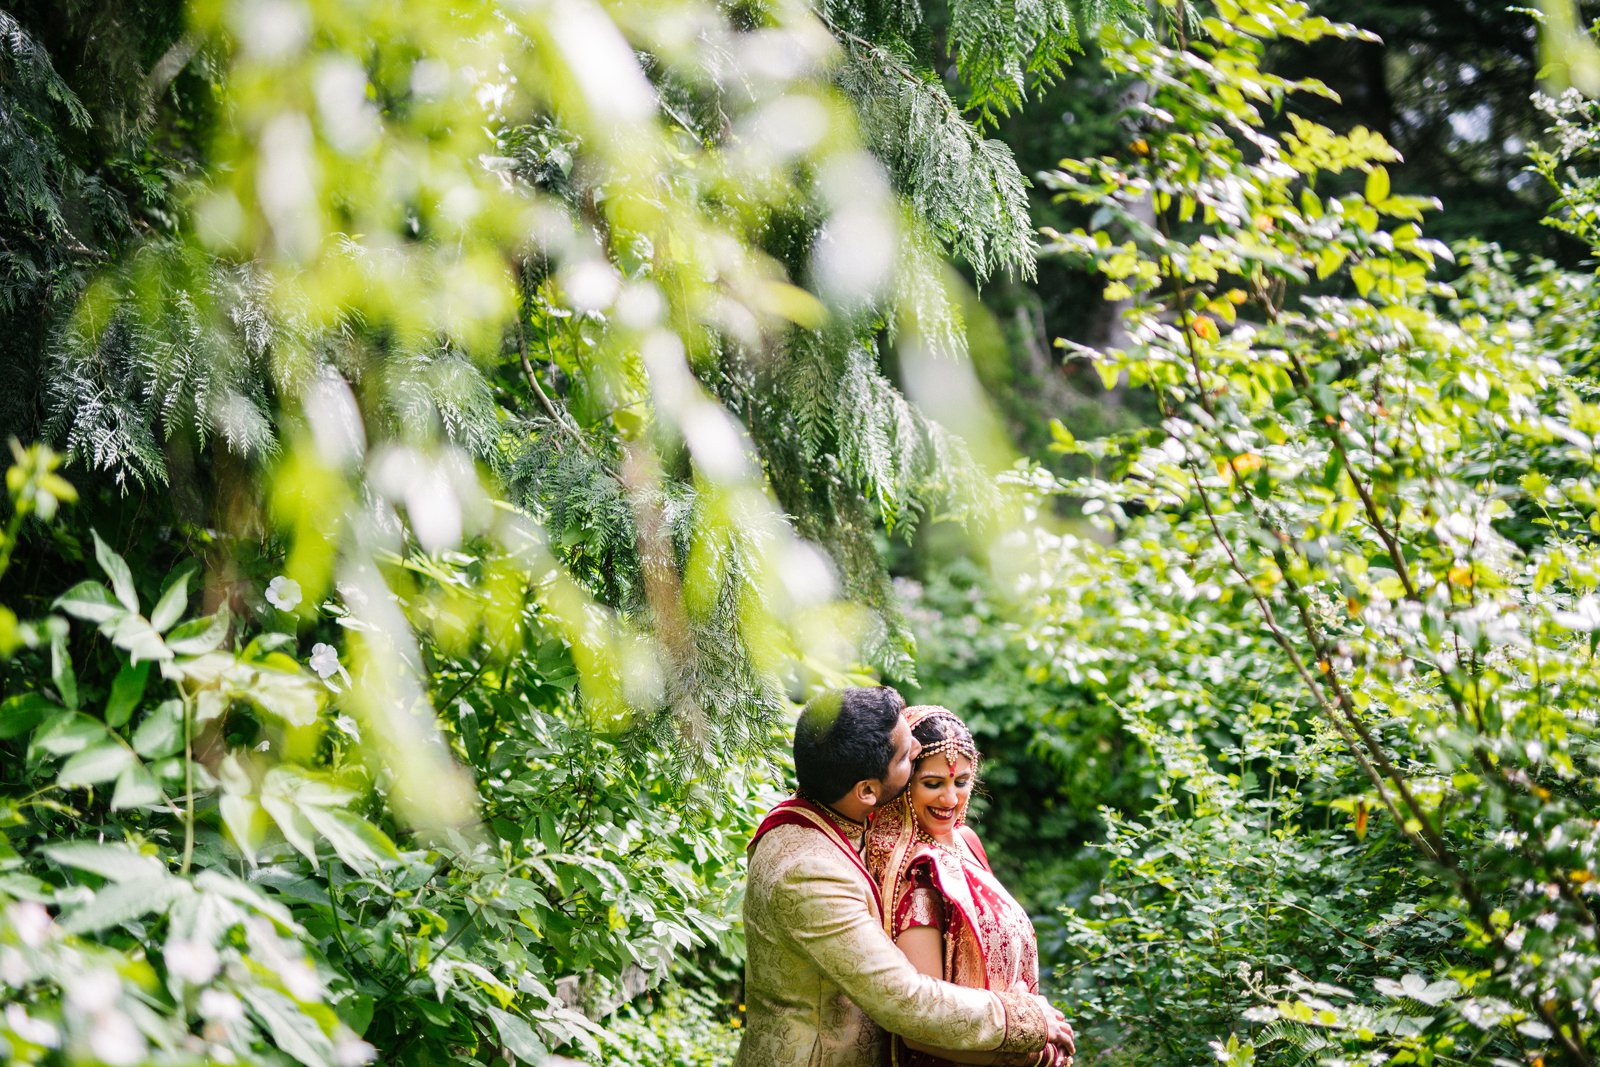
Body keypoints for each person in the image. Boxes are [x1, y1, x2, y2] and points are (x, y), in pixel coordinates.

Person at [737, 686, 1075, 1067]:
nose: (917, 749)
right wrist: (1023, 1019)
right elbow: (905, 999)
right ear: (866, 790)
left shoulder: (831, 819)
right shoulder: (811, 874)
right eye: (904, 755)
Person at [864, 705, 1050, 1067]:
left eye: (961, 782)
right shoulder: (913, 873)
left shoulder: (965, 842)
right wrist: (1032, 1050)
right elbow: (922, 1027)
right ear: (902, 784)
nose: (950, 799)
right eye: (933, 784)